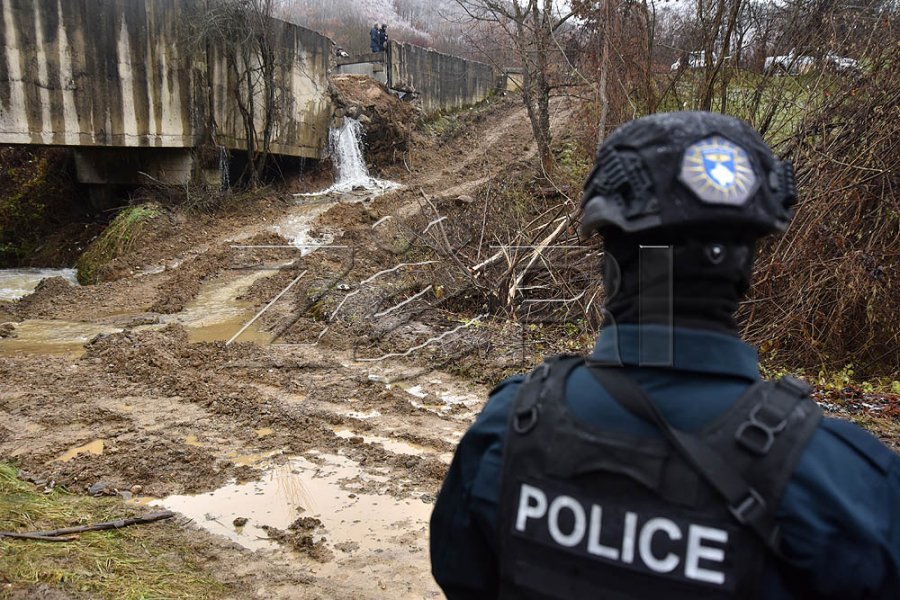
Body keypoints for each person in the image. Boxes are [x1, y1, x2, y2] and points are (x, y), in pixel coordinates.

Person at [430, 112, 899, 599]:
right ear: (745, 265)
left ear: (610, 261)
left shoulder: (506, 430)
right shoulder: (851, 491)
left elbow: (462, 576)